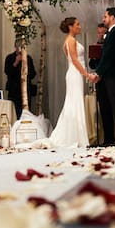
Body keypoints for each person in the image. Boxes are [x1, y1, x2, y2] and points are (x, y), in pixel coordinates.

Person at [89, 7, 115, 146]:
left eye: (105, 16)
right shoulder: (113, 33)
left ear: (113, 17)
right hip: (112, 74)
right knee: (110, 105)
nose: (103, 19)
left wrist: (98, 73)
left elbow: (109, 57)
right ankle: (111, 138)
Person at [48, 17, 90, 147]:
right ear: (71, 27)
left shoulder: (70, 40)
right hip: (75, 74)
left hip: (75, 73)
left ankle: (75, 134)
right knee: (74, 102)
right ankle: (73, 136)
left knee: (74, 102)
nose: (80, 26)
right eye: (77, 24)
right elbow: (75, 60)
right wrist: (87, 74)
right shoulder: (70, 40)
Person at [88, 22, 114, 145]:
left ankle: (113, 137)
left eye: (102, 32)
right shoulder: (96, 45)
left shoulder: (111, 44)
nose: (100, 34)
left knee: (112, 109)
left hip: (111, 80)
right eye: (98, 32)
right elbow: (92, 65)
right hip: (100, 82)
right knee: (103, 109)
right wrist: (94, 57)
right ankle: (106, 139)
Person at [4, 39, 37, 119]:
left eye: (22, 47)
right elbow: (7, 72)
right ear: (15, 47)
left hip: (26, 90)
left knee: (26, 112)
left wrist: (26, 67)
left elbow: (33, 74)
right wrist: (16, 62)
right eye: (18, 46)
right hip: (14, 90)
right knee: (14, 111)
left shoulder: (28, 58)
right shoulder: (9, 58)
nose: (20, 49)